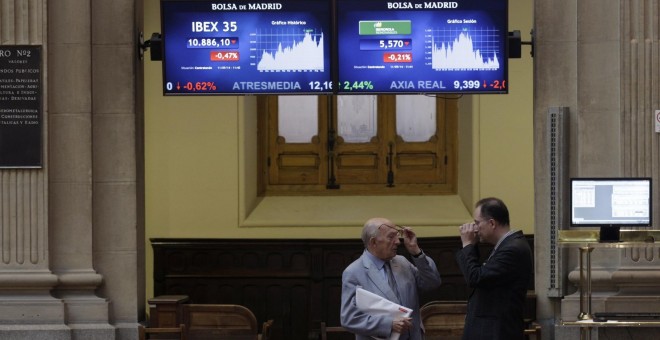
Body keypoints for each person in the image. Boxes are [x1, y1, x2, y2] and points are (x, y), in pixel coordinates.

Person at [340, 217, 442, 340]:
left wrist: (416, 252)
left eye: (397, 236)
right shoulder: (354, 272)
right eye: (391, 237)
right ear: (373, 242)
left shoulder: (402, 262)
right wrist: (388, 324)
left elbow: (432, 283)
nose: (398, 241)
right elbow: (349, 319)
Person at [455, 197, 533, 340]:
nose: (475, 228)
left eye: (477, 223)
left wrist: (467, 244)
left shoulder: (512, 249)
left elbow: (475, 278)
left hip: (497, 333)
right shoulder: (506, 246)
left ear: (492, 223)